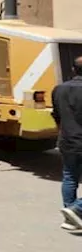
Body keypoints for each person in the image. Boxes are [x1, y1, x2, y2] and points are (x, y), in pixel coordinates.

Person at [52, 55, 82, 231]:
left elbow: (56, 114)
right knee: (69, 177)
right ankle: (76, 210)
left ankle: (71, 216)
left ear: (73, 70)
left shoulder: (58, 89)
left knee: (70, 177)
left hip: (67, 139)